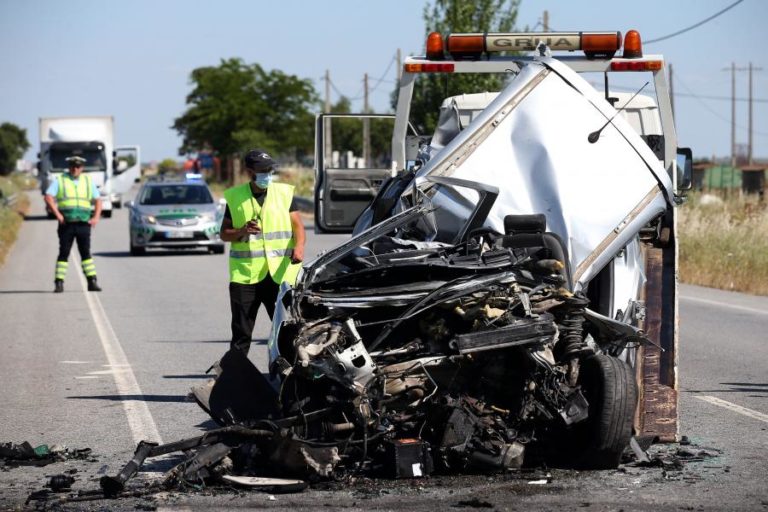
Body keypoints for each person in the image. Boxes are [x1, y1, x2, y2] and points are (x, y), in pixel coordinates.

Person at [219, 149, 305, 355]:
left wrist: (299, 247)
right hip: (246, 276)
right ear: (249, 172)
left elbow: (298, 226)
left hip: (279, 274)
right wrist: (242, 231)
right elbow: (224, 234)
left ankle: (291, 376)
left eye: (269, 169)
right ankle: (236, 377)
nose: (267, 173)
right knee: (241, 332)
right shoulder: (235, 197)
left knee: (289, 330)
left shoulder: (284, 193)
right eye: (262, 170)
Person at [43, 155, 102, 293]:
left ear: (82, 168)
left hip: (83, 223)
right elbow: (48, 197)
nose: (75, 169)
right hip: (67, 224)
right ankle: (59, 283)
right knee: (64, 253)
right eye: (72, 166)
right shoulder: (61, 180)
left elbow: (98, 200)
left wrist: (96, 217)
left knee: (86, 254)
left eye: (78, 166)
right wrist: (57, 215)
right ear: (69, 167)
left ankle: (92, 281)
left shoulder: (87, 181)